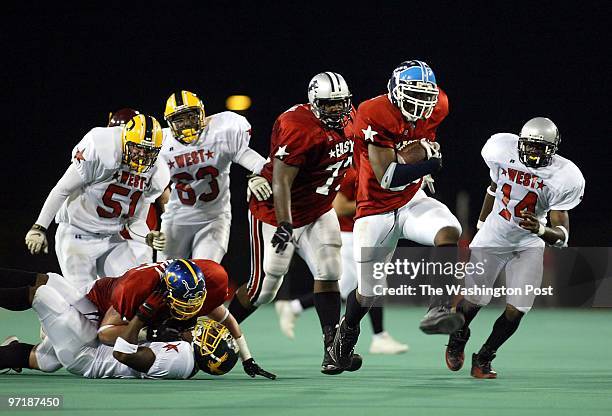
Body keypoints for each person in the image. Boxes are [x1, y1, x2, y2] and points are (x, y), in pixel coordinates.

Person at [331, 60, 464, 370]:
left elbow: (415, 150)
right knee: (368, 292)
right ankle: (345, 335)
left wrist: (419, 157)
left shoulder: (439, 104)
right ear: (394, 93)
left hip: (411, 200)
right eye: (412, 96)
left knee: (449, 230)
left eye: (425, 97)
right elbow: (388, 176)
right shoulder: (374, 112)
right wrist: (428, 161)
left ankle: (439, 308)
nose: (420, 105)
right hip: (375, 208)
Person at [228, 72, 361, 374]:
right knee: (265, 287)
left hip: (317, 208)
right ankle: (218, 328)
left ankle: (333, 348)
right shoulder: (297, 127)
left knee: (330, 269)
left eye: (341, 104)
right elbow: (281, 181)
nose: (337, 111)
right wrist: (286, 224)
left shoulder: (352, 117)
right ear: (314, 104)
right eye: (329, 106)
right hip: (276, 211)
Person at [445, 117, 584, 378]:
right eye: (529, 145)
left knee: (518, 308)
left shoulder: (564, 176)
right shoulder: (501, 150)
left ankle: (484, 357)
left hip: (528, 243)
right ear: (520, 142)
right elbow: (493, 188)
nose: (532, 152)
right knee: (475, 300)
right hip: (495, 234)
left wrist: (541, 230)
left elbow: (562, 236)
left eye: (539, 148)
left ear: (553, 150)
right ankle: (458, 337)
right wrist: (481, 225)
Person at [0, 260, 275, 379]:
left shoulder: (178, 359)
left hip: (90, 353)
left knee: (45, 294)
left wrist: (145, 324)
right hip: (99, 335)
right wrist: (247, 357)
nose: (205, 330)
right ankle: (10, 355)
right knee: (45, 360)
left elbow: (121, 352)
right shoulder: (188, 321)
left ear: (205, 355)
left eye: (209, 340)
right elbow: (226, 317)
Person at [24, 114, 169, 289]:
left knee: (133, 289)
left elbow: (135, 220)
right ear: (125, 141)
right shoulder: (101, 148)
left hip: (112, 238)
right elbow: (62, 189)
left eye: (148, 152)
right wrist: (39, 227)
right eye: (137, 148)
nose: (141, 156)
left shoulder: (157, 172)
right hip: (77, 235)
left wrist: (147, 235)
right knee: (85, 303)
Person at [275, 167, 409, 354]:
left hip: (363, 233)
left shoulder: (378, 170)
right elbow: (339, 206)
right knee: (365, 285)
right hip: (349, 235)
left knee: (360, 285)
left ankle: (294, 307)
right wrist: (377, 204)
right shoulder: (352, 173)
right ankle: (379, 337)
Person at [158, 90, 271, 263]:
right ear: (170, 123)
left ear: (202, 114)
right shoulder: (162, 145)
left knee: (206, 272)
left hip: (214, 218)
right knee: (166, 277)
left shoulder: (220, 133)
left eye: (191, 117)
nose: (186, 124)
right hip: (176, 219)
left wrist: (259, 176)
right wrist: (164, 212)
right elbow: (154, 185)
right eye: (179, 120)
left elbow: (255, 162)